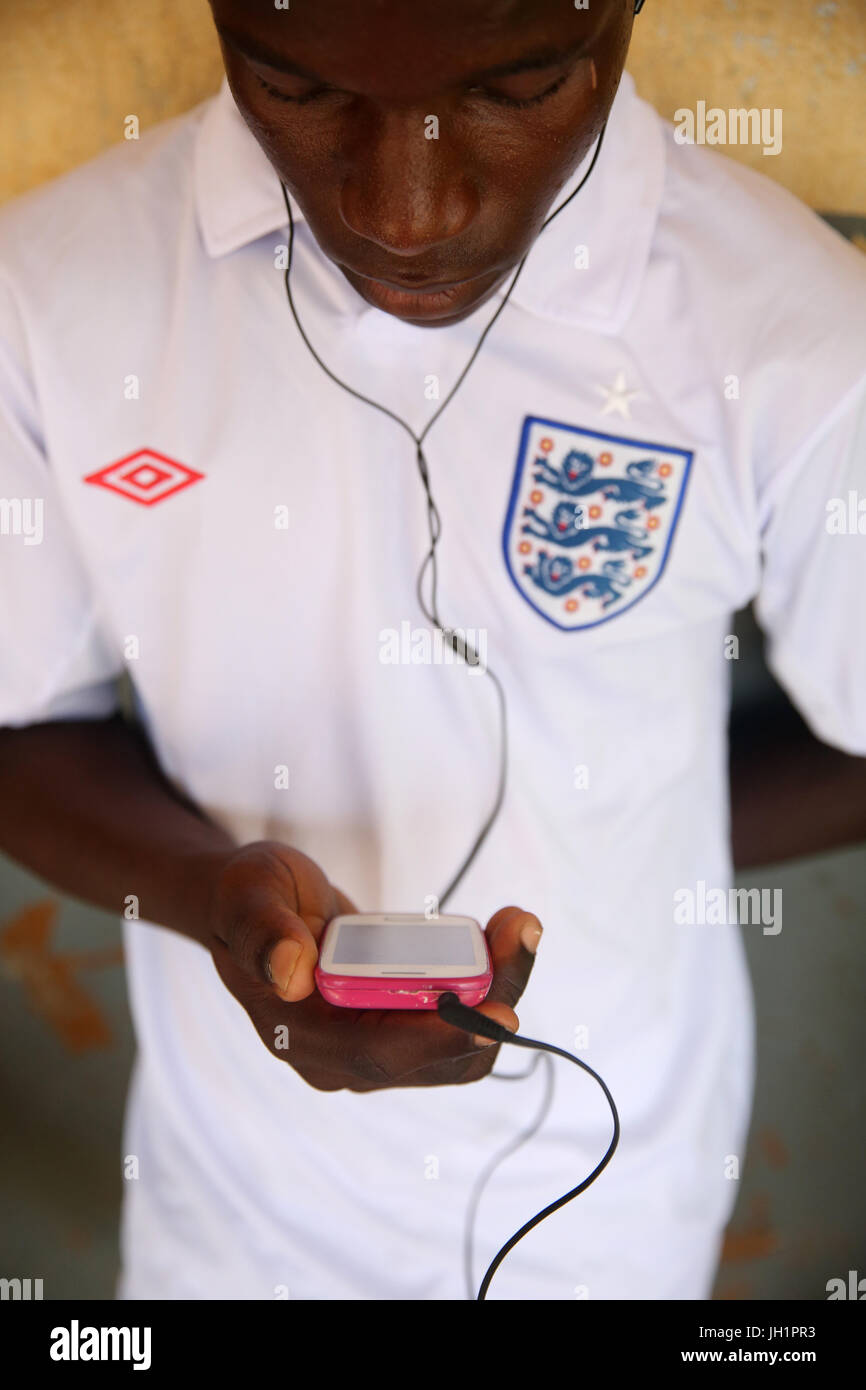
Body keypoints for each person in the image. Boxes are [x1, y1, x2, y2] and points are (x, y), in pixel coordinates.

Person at [1, 0, 864, 1301]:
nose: (403, 212)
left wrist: (622, 835)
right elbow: (20, 724)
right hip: (229, 1203)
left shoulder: (796, 335)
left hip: (613, 1196)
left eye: (518, 89)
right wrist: (207, 897)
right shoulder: (48, 292)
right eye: (295, 89)